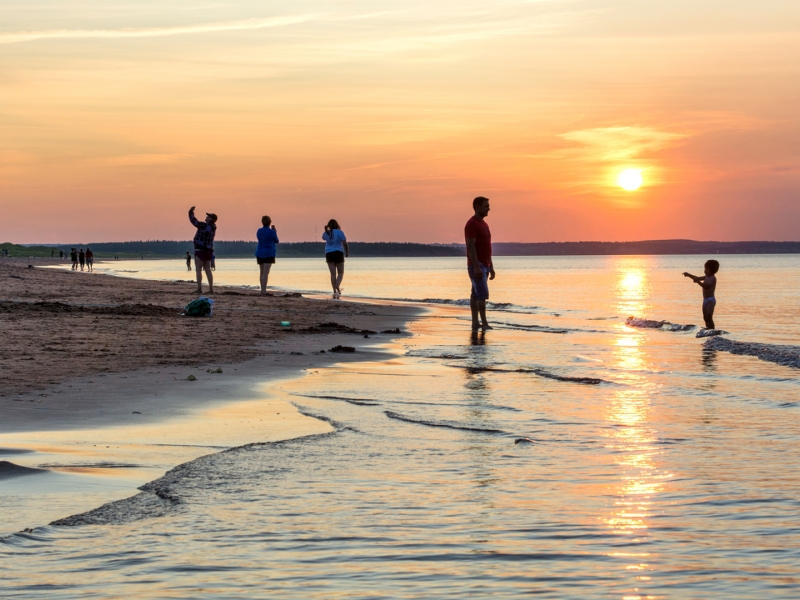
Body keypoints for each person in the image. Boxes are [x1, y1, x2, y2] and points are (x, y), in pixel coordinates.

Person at [465, 196, 495, 331]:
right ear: (478, 207)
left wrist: (491, 266)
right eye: (486, 206)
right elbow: (471, 246)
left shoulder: (484, 224)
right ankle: (484, 323)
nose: (489, 208)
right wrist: (476, 266)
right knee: (482, 295)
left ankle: (475, 323)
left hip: (485, 264)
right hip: (477, 265)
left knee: (475, 294)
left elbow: (487, 247)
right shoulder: (472, 224)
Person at [683, 260, 719, 330]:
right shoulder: (706, 277)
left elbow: (706, 286)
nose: (704, 270)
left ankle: (712, 330)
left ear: (709, 270)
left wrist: (698, 282)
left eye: (705, 269)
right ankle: (708, 328)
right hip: (705, 300)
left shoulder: (712, 278)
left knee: (709, 316)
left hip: (710, 300)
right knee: (705, 317)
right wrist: (688, 275)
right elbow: (697, 278)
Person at [189, 206, 217, 294]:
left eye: (208, 216)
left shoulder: (204, 226)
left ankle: (199, 288)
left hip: (200, 250)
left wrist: (190, 212)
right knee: (208, 269)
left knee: (198, 269)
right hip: (209, 251)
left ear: (211, 219)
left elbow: (194, 221)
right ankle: (211, 289)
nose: (206, 217)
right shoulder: (213, 228)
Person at [322, 219, 348, 298]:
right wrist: (347, 252)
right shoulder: (340, 232)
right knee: (340, 272)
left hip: (329, 253)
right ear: (337, 224)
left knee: (333, 274)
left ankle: (334, 291)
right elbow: (344, 243)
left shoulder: (326, 233)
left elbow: (323, 238)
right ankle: (337, 286)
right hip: (339, 252)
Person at [255, 216, 279, 294]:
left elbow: (259, 239)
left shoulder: (259, 231)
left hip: (260, 252)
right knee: (266, 273)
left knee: (261, 272)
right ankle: (264, 290)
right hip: (269, 253)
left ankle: (262, 289)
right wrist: (275, 231)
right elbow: (276, 240)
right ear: (270, 222)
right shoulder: (272, 232)